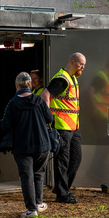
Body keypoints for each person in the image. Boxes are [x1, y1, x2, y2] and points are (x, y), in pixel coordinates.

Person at [0, 72, 54, 218]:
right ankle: (39, 203)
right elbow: (49, 118)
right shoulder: (39, 101)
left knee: (27, 177)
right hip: (43, 145)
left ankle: (31, 209)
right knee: (38, 174)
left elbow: (6, 125)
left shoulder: (13, 103)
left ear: (17, 86)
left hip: (23, 146)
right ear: (29, 85)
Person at [41, 52, 86, 204]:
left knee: (76, 159)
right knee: (62, 161)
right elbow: (44, 95)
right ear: (73, 62)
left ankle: (63, 188)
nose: (83, 67)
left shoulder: (72, 78)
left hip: (73, 127)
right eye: (81, 64)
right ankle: (62, 193)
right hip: (62, 126)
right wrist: (48, 120)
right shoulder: (62, 79)